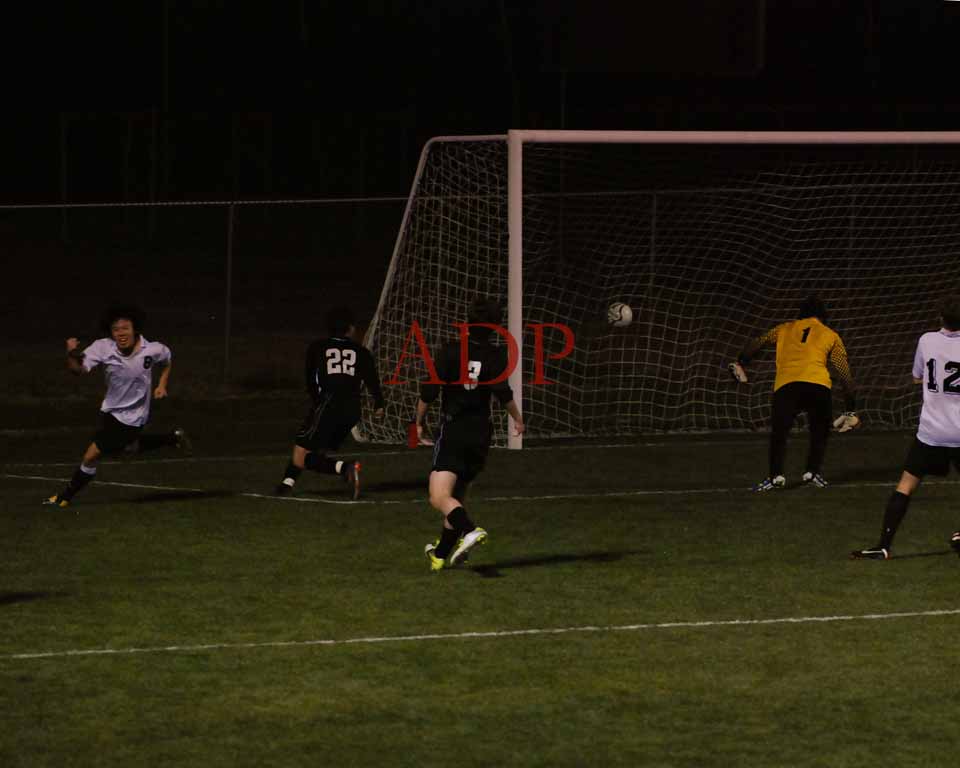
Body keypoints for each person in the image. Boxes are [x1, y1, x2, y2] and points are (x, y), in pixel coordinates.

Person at [414, 296, 525, 572]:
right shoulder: (497, 355)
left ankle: (470, 530)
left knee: (438, 496)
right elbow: (502, 392)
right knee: (456, 498)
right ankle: (440, 554)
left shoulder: (451, 351)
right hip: (481, 433)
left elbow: (430, 390)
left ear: (468, 321)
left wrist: (418, 421)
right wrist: (517, 418)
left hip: (455, 429)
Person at [43, 305, 190, 508]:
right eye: (116, 329)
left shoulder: (153, 349)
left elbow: (167, 360)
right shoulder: (103, 347)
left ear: (135, 329)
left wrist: (162, 384)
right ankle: (172, 438)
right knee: (128, 448)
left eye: (125, 328)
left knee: (91, 456)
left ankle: (64, 497)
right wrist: (70, 352)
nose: (121, 333)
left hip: (134, 416)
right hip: (110, 411)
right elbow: (78, 370)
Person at [851, 296, 960, 560]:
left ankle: (883, 545)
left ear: (941, 317)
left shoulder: (926, 340)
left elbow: (917, 377)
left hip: (931, 432)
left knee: (906, 485)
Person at [729, 295, 858, 492]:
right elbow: (845, 375)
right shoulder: (830, 334)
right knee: (819, 431)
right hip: (818, 386)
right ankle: (812, 473)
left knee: (779, 432)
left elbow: (758, 342)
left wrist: (741, 361)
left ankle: (775, 477)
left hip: (787, 385)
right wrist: (850, 409)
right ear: (823, 315)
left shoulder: (784, 328)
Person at [275, 306, 384, 500]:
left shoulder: (317, 348)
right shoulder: (361, 352)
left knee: (302, 453)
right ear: (350, 328)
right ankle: (286, 485)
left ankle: (345, 468)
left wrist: (318, 402)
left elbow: (311, 380)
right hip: (352, 410)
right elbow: (372, 380)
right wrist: (379, 404)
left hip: (329, 404)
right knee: (312, 452)